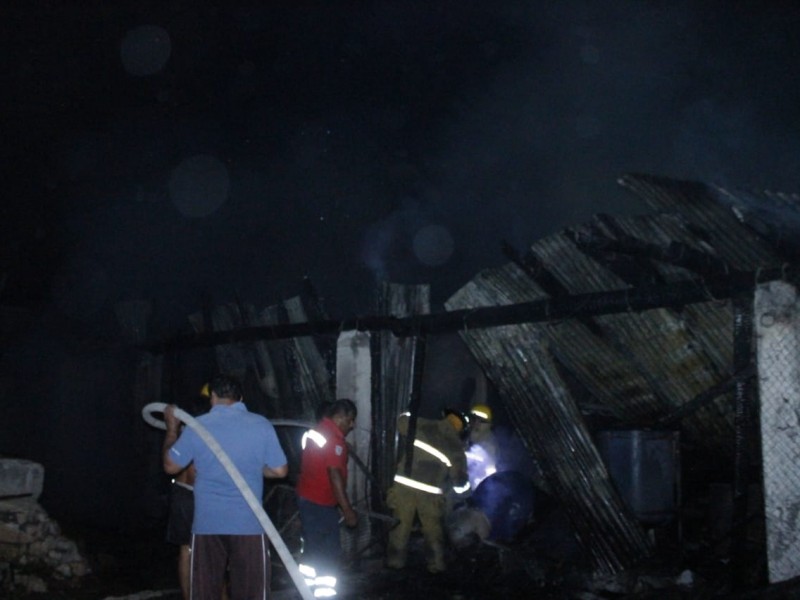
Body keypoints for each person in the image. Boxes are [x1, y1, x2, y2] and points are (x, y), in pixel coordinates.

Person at [162, 374, 288, 600]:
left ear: (213, 397)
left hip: (207, 524)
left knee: (205, 592)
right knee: (252, 592)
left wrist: (172, 428)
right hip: (248, 524)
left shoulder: (197, 426)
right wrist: (252, 466)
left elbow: (171, 466)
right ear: (241, 398)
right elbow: (280, 471)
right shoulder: (260, 424)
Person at [385, 409, 468, 574]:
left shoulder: (424, 425)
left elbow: (401, 421)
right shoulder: (456, 447)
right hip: (430, 495)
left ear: (446, 417)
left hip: (404, 487)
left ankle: (395, 563)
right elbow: (460, 483)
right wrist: (460, 492)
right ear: (460, 428)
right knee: (433, 532)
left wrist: (410, 412)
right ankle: (436, 566)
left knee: (400, 528)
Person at [295, 399, 358, 598]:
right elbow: (334, 475)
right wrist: (347, 510)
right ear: (340, 417)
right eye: (350, 420)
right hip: (320, 505)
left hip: (307, 500)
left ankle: (304, 591)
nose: (352, 425)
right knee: (328, 556)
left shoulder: (317, 431)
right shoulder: (334, 439)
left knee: (312, 551)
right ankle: (324, 596)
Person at [165, 385, 210, 600]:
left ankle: (191, 596)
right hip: (194, 496)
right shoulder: (201, 434)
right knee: (208, 550)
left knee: (187, 550)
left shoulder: (186, 434)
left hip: (183, 493)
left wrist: (173, 429)